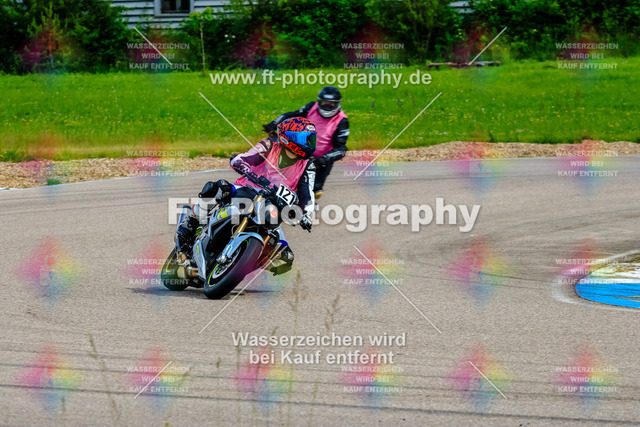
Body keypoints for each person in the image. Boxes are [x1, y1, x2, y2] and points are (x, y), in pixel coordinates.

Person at [176, 117, 317, 272]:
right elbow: (245, 158)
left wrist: (306, 214)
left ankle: (241, 264)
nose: (310, 144)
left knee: (285, 258)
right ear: (289, 138)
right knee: (218, 188)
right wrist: (241, 164)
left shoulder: (308, 166)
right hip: (246, 189)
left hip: (272, 207)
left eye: (312, 139)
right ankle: (189, 225)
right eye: (306, 139)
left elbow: (307, 195)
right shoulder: (269, 146)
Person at [262, 86, 349, 198]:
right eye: (324, 102)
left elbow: (341, 149)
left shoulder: (342, 121)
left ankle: (305, 205)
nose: (327, 106)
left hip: (319, 162)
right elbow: (292, 115)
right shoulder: (311, 107)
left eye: (331, 104)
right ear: (319, 102)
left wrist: (323, 159)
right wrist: (274, 124)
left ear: (337, 104)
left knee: (313, 192)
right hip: (300, 151)